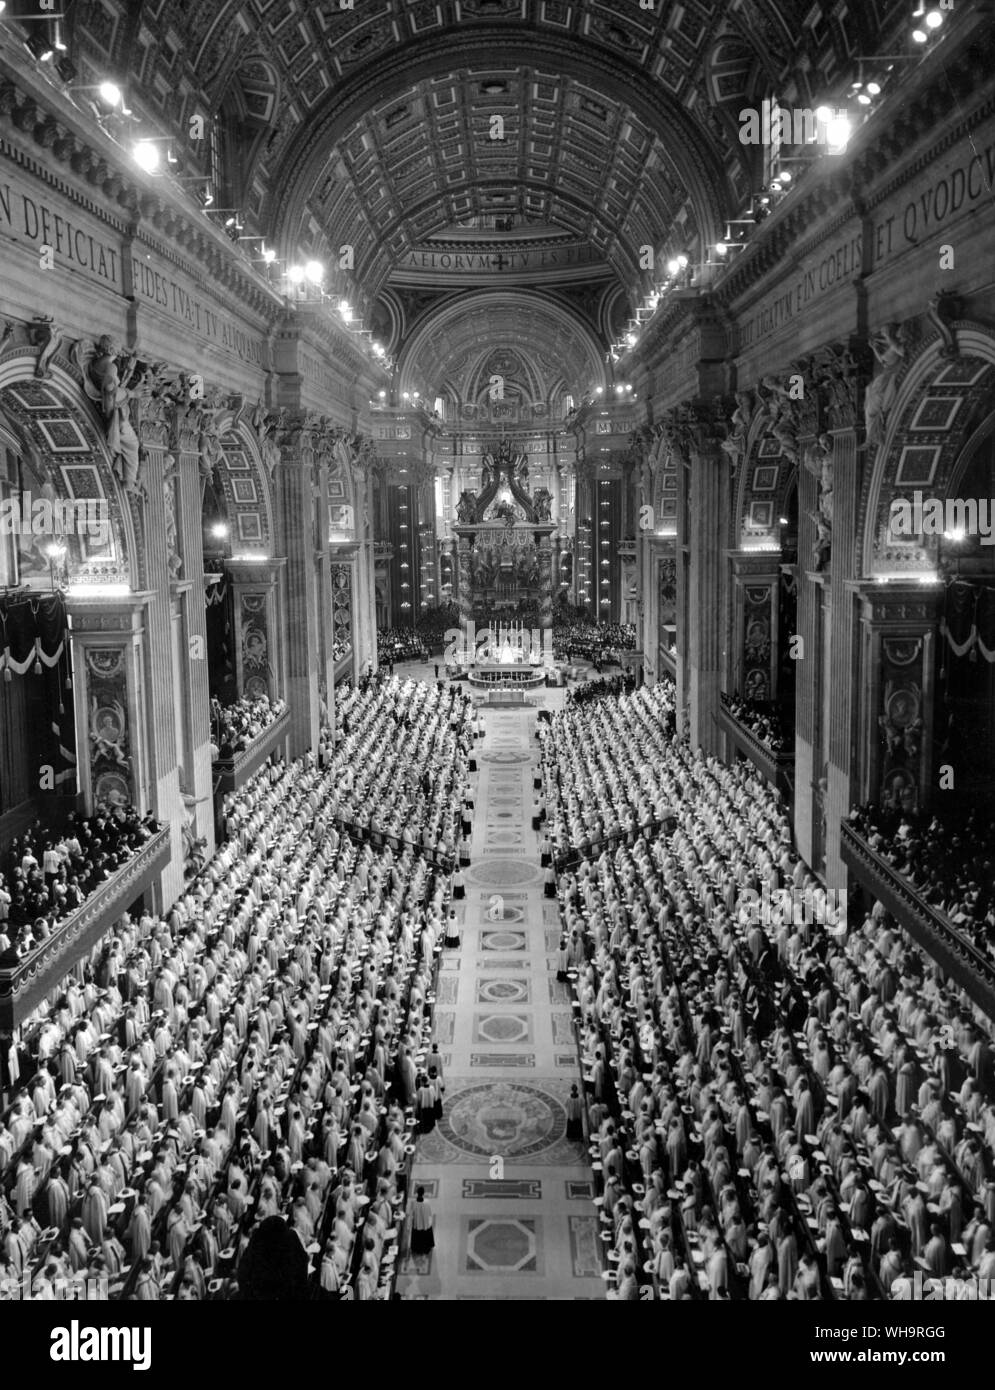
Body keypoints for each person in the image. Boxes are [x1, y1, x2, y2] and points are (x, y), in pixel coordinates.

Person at [409, 1186, 435, 1256]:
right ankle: (426, 1249)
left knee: (417, 1237)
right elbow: (430, 1213)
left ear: (417, 1193)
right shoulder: (427, 1202)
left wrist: (410, 1225)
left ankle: (417, 1249)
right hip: (425, 1224)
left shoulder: (413, 1203)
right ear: (423, 1193)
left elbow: (411, 1214)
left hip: (417, 1224)